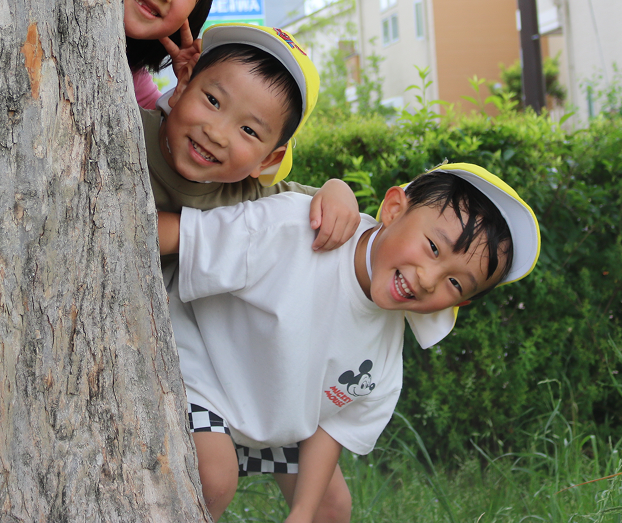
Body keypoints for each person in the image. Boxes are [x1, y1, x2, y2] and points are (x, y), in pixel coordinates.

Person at [156, 163, 541, 522]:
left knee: (331, 508)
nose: (428, 279)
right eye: (434, 248)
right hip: (200, 371)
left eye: (455, 283)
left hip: (271, 410)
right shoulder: (299, 229)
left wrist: (303, 513)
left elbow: (334, 427)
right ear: (393, 208)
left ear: (463, 302)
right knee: (214, 479)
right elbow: (186, 236)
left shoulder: (387, 346)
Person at [143, 23, 361, 253]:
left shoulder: (250, 197)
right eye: (213, 100)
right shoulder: (126, 127)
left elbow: (321, 202)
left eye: (249, 130)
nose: (217, 134)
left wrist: (339, 189)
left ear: (267, 161)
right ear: (184, 84)